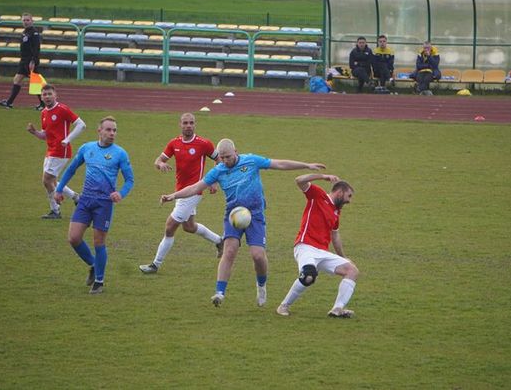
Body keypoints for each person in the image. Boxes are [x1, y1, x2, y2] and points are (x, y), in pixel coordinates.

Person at [160, 138, 326, 308]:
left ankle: (261, 286)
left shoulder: (251, 161)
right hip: (233, 216)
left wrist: (306, 165)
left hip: (255, 215)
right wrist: (173, 196)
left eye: (228, 157)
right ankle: (219, 292)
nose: (225, 161)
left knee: (258, 256)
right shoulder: (218, 171)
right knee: (229, 250)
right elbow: (196, 187)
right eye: (222, 158)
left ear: (236, 152)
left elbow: (279, 164)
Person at [55, 116, 134, 294]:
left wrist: (120, 193)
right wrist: (59, 189)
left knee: (99, 242)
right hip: (85, 200)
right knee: (73, 238)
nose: (112, 133)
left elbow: (130, 180)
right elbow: (71, 169)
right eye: (108, 129)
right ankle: (93, 264)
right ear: (99, 131)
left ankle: (99, 281)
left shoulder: (120, 153)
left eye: (114, 130)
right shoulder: (86, 148)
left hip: (104, 203)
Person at [139, 113, 223, 274]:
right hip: (181, 191)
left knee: (170, 227)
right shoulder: (174, 143)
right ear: (180, 124)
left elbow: (219, 160)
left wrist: (213, 181)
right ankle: (219, 241)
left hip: (194, 192)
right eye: (185, 123)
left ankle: (155, 264)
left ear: (195, 124)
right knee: (189, 227)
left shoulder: (204, 144)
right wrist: (160, 164)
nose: (188, 126)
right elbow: (158, 160)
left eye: (191, 123)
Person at [276, 173, 359, 318]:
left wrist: (344, 257)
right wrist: (322, 176)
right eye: (349, 196)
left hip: (322, 252)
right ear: (340, 192)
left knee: (352, 270)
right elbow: (299, 180)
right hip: (305, 247)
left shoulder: (336, 212)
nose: (349, 201)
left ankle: (337, 309)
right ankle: (284, 306)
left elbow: (335, 236)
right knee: (309, 276)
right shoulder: (318, 195)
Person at [27, 84, 86, 219]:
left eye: (49, 94)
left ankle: (55, 210)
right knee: (52, 180)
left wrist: (68, 139)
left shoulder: (62, 109)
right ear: (41, 97)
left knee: (47, 180)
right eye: (44, 94)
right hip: (50, 150)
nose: (47, 97)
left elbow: (81, 125)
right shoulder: (43, 113)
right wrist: (34, 132)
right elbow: (45, 135)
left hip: (61, 150)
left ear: (55, 95)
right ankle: (76, 197)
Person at [0, 12, 44, 110]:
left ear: (32, 21)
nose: (26, 22)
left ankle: (44, 104)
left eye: (28, 20)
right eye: (24, 20)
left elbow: (37, 48)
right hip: (24, 61)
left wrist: (33, 61)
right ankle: (9, 103)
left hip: (30, 62)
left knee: (35, 83)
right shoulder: (25, 32)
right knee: (17, 80)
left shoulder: (34, 33)